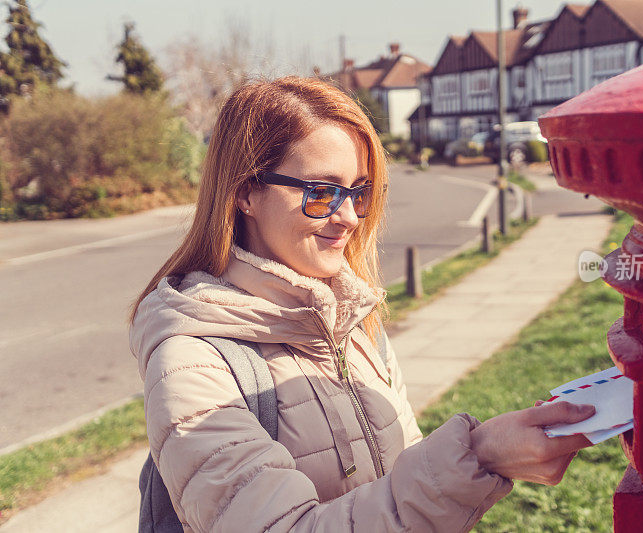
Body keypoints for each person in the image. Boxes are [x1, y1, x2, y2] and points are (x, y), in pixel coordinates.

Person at [128, 76, 595, 532]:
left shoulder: (352, 322)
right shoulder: (192, 363)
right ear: (246, 192)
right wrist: (478, 455)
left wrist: (490, 452)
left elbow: (400, 476)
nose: (349, 217)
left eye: (359, 191)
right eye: (321, 192)